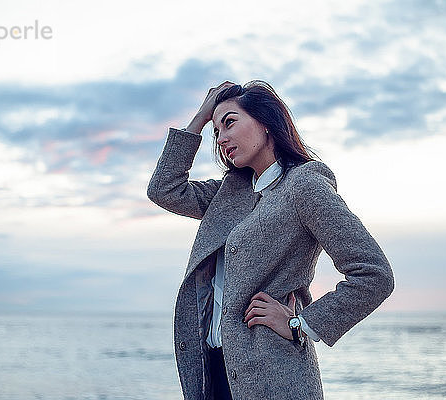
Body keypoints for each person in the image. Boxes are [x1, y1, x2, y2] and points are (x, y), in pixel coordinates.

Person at [146, 80, 394, 400]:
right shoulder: (230, 192)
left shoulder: (304, 183)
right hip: (215, 376)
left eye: (230, 123)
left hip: (274, 379)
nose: (221, 138)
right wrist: (198, 119)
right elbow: (164, 190)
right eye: (216, 131)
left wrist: (299, 324)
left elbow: (374, 274)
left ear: (265, 123)